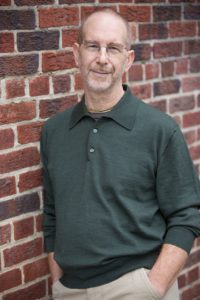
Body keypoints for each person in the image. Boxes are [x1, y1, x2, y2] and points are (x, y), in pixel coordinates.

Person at [40, 8, 200, 300]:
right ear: (76, 54)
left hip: (138, 287)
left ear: (128, 60)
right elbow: (52, 213)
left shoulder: (160, 130)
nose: (102, 58)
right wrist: (58, 282)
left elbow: (187, 214)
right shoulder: (53, 131)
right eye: (93, 46)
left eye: (113, 48)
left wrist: (155, 286)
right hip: (70, 291)